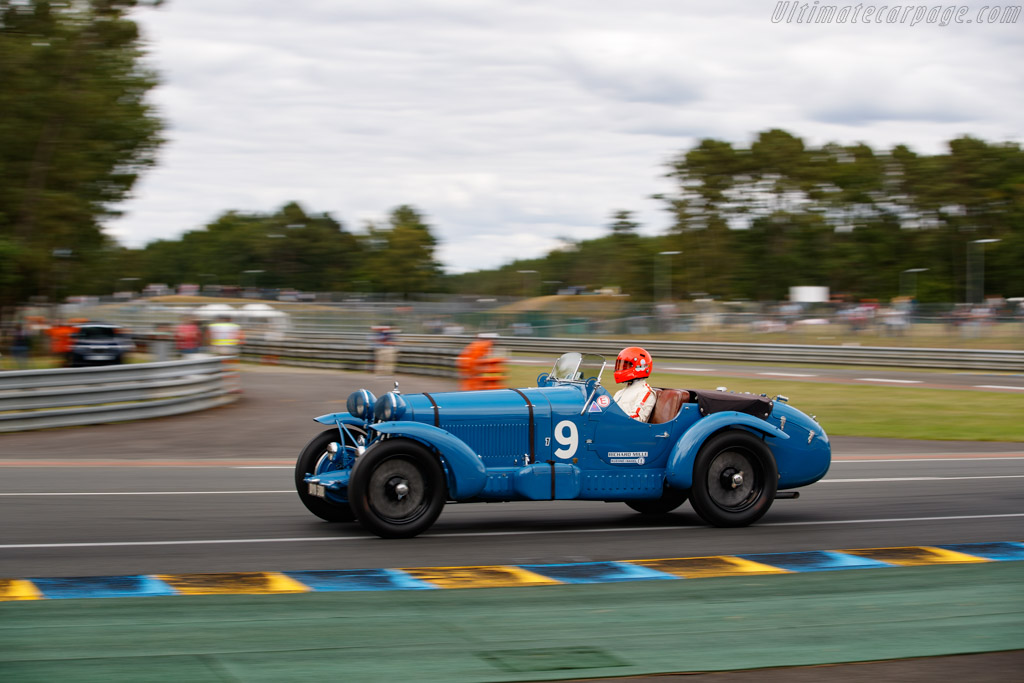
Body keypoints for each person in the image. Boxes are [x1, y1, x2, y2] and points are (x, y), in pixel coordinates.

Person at [612, 346, 656, 422]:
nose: (621, 368)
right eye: (621, 365)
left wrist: (613, 419)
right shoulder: (619, 393)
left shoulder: (646, 392)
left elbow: (637, 419)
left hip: (627, 431)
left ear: (640, 367)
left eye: (625, 366)